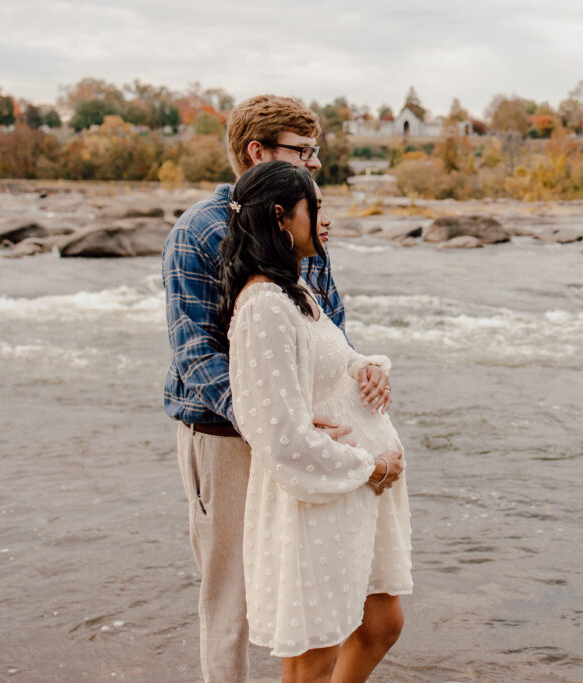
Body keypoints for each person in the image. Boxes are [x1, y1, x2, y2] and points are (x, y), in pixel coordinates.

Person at [162, 94, 392, 682]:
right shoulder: (196, 232)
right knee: (233, 598)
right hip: (225, 434)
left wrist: (357, 364)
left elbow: (327, 324)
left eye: (315, 153)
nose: (315, 164)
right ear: (255, 151)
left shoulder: (301, 219)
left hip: (306, 435)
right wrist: (272, 424)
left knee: (309, 587)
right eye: (302, 152)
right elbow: (196, 352)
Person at [219, 160, 411, 682]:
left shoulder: (295, 294)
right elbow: (279, 439)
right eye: (316, 207)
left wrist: (363, 366)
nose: (326, 220)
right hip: (317, 500)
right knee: (313, 659)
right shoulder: (263, 308)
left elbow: (334, 358)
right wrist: (370, 467)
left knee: (380, 623)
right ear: (283, 217)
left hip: (353, 498)